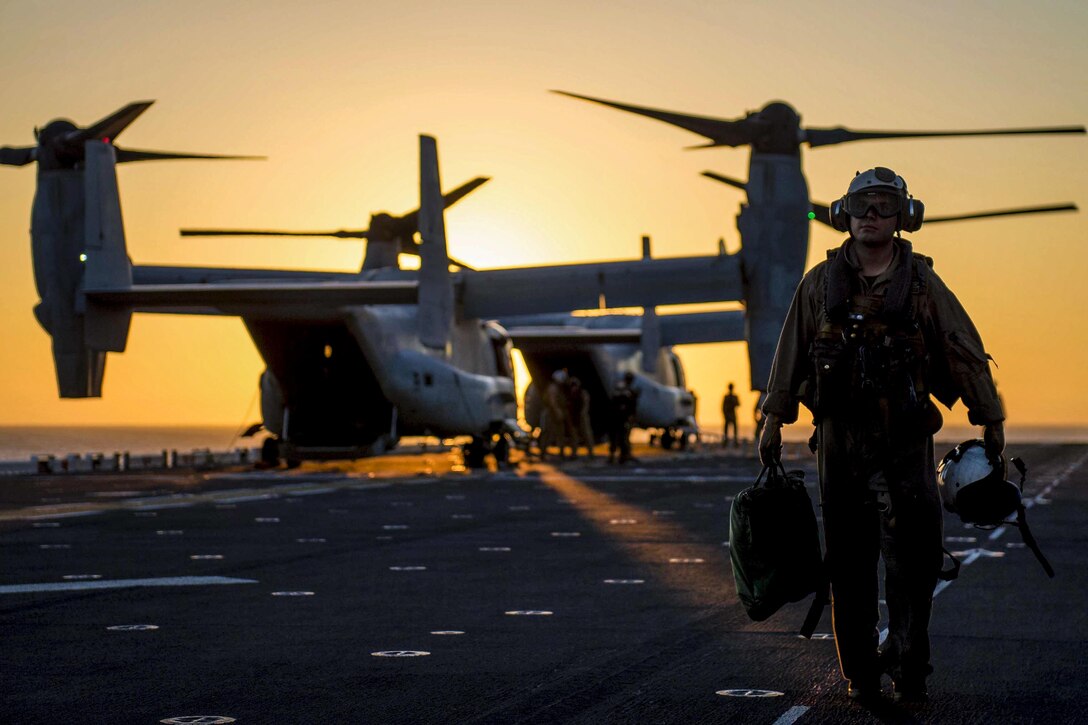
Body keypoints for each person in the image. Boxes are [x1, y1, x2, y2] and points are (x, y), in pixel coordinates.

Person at [758, 167, 1005, 703]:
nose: (871, 214)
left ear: (903, 217)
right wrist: (773, 418)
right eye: (862, 204)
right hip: (840, 444)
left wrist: (990, 416)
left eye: (883, 205)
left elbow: (963, 348)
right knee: (847, 566)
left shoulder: (921, 283)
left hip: (906, 445)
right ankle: (861, 674)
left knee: (913, 564)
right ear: (843, 213)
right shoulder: (820, 284)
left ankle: (911, 666)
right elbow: (790, 352)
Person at [608, 371, 639, 464]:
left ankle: (619, 455)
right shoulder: (626, 391)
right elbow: (630, 406)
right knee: (621, 437)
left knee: (618, 437)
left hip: (617, 417)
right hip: (621, 418)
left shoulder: (621, 389)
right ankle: (622, 456)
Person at [567, 377, 596, 459]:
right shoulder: (570, 395)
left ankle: (591, 453)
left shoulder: (582, 393)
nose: (573, 387)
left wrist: (582, 415)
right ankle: (574, 453)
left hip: (582, 418)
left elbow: (585, 405)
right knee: (574, 437)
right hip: (573, 418)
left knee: (587, 435)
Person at [721, 383, 740, 447]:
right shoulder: (726, 397)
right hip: (728, 415)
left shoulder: (734, 397)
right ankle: (725, 442)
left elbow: (738, 404)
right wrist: (725, 414)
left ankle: (735, 442)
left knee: (734, 430)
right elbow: (723, 407)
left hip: (732, 415)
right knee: (726, 430)